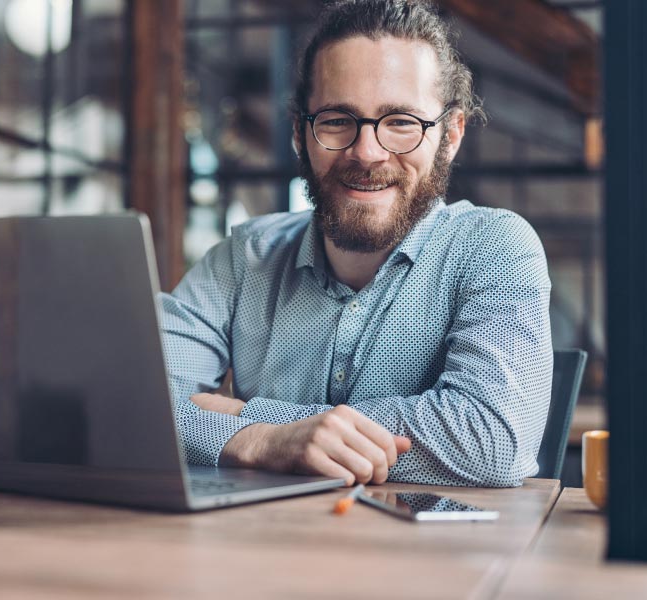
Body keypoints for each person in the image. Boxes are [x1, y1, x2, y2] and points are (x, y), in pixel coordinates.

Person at [159, 0, 552, 488]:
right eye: (337, 120)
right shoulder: (244, 258)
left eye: (402, 122)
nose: (367, 152)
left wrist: (255, 421)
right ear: (301, 134)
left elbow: (492, 442)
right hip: (261, 551)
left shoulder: (496, 248)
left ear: (450, 135)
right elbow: (130, 402)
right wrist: (259, 441)